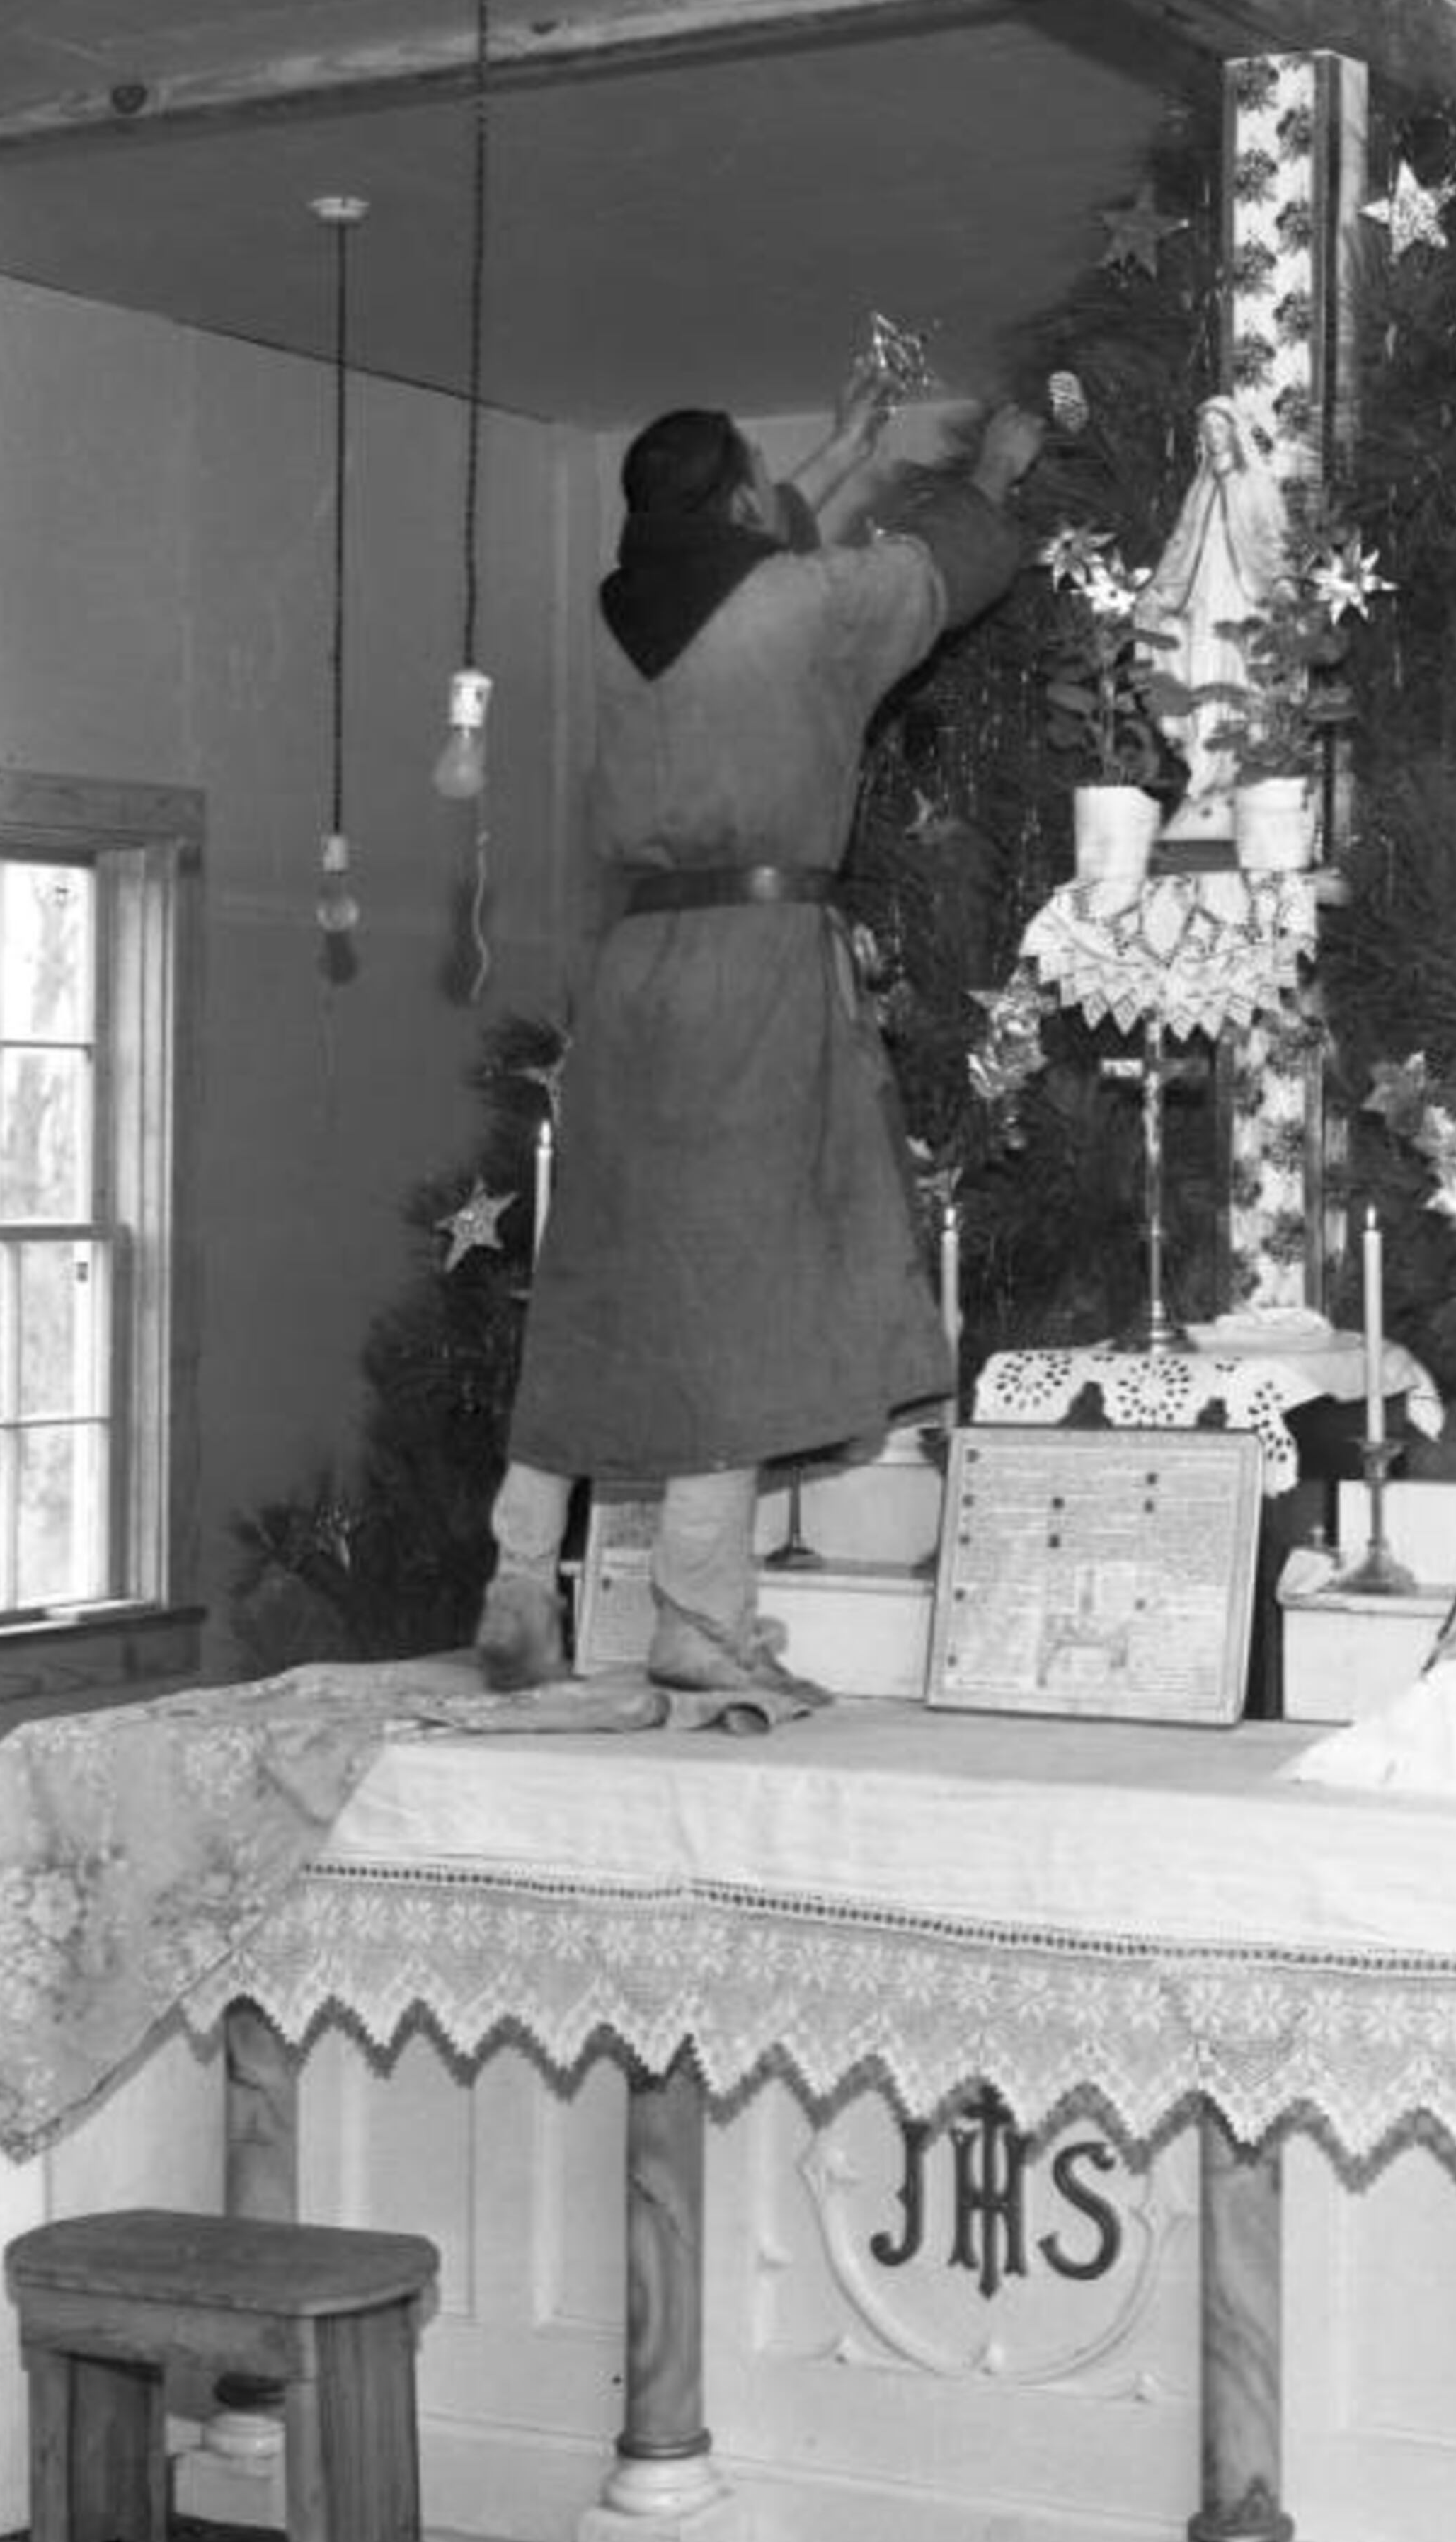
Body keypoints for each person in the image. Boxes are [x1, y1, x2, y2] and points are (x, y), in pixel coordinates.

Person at [474, 364, 1045, 1705]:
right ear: (740, 500)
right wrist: (996, 473)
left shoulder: (621, 617)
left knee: (609, 1279)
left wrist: (843, 460)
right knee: (737, 1298)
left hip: (633, 978)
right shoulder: (802, 605)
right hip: (757, 969)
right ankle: (699, 1617)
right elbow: (935, 574)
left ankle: (517, 1573)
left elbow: (734, 557)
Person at [1130, 392, 1292, 838]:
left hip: (1244, 601)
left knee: (1242, 683)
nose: (1214, 436)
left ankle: (1242, 776)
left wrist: (1280, 584)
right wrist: (1159, 592)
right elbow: (1180, 545)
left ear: (1235, 433)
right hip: (1201, 602)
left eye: (1221, 428)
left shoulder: (1257, 486)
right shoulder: (1199, 490)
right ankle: (1204, 774)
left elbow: (1275, 541)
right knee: (1200, 682)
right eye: (1207, 430)